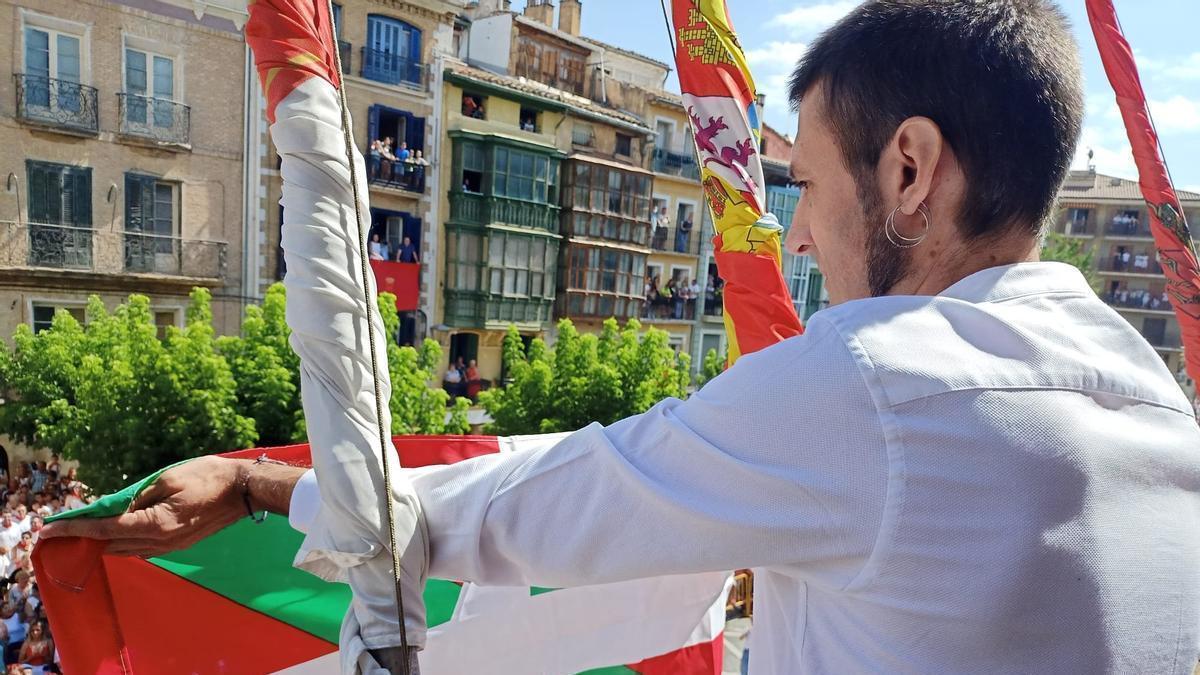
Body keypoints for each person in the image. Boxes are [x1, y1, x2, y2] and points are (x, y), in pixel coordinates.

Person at [44, 2, 1200, 673]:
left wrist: (255, 482)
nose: (798, 231)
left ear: (907, 169)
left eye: (804, 182)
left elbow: (524, 510)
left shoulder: (882, 388)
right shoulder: (1153, 402)